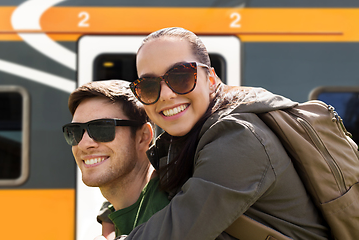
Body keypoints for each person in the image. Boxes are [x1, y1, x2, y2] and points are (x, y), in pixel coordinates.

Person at [118, 27, 332, 239]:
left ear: (211, 80)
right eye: (147, 86)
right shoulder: (188, 140)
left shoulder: (240, 138)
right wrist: (110, 213)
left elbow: (178, 232)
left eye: (181, 76)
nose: (165, 95)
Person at [63, 80, 170, 239]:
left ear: (143, 137)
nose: (84, 144)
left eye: (102, 128)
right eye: (75, 131)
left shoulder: (170, 211)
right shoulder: (119, 209)